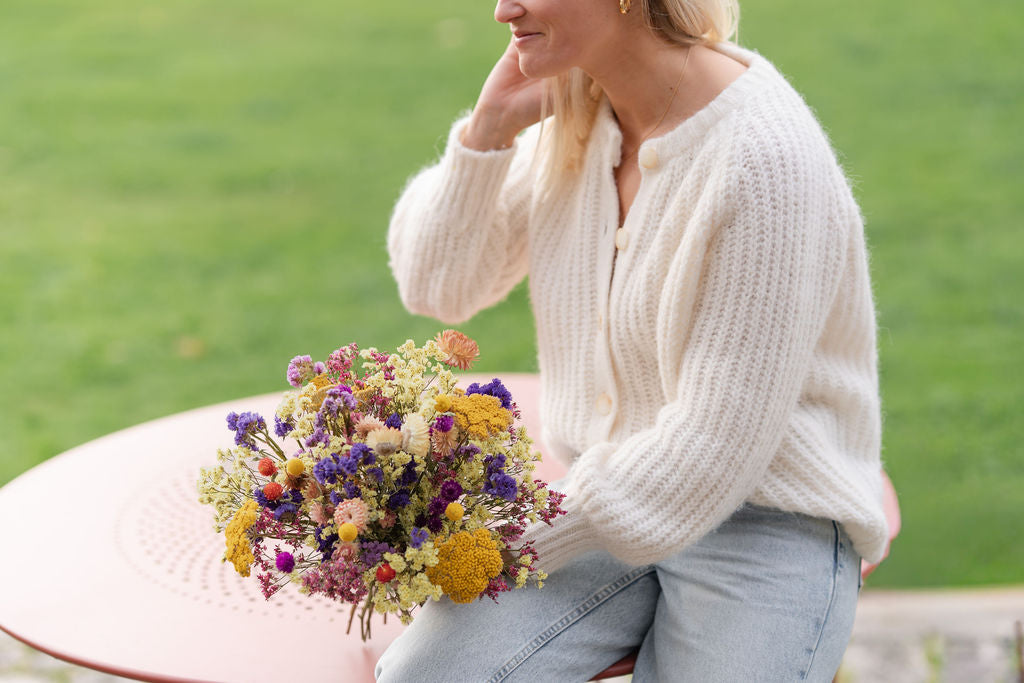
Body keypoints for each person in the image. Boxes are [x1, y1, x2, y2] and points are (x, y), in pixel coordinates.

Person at [378, 0, 890, 679]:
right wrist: (491, 127)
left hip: (765, 522)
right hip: (609, 499)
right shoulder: (588, 114)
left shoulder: (764, 158)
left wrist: (490, 543)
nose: (504, 8)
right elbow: (434, 283)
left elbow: (709, 451)